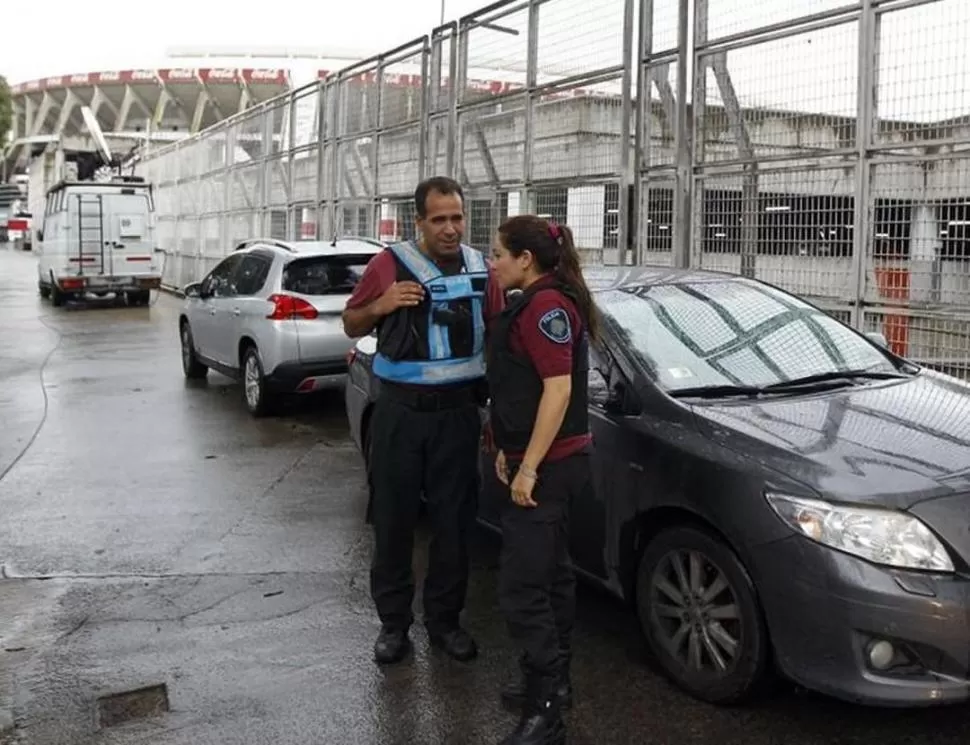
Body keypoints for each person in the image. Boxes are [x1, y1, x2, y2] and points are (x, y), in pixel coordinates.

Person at [341, 176, 505, 666]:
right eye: (439, 220)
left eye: (457, 218)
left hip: (458, 415)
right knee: (393, 521)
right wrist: (382, 304)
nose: (451, 229)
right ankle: (393, 626)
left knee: (454, 526)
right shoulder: (389, 264)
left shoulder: (482, 269)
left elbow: (495, 338)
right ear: (420, 222)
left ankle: (445, 624)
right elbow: (351, 322)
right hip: (399, 416)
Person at [485, 215, 598, 745]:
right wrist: (510, 451)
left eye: (498, 254)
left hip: (550, 469)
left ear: (525, 259)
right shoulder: (535, 302)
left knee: (523, 587)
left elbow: (556, 392)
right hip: (544, 461)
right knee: (551, 576)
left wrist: (528, 467)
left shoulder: (547, 307)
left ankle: (547, 707)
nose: (493, 263)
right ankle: (551, 682)